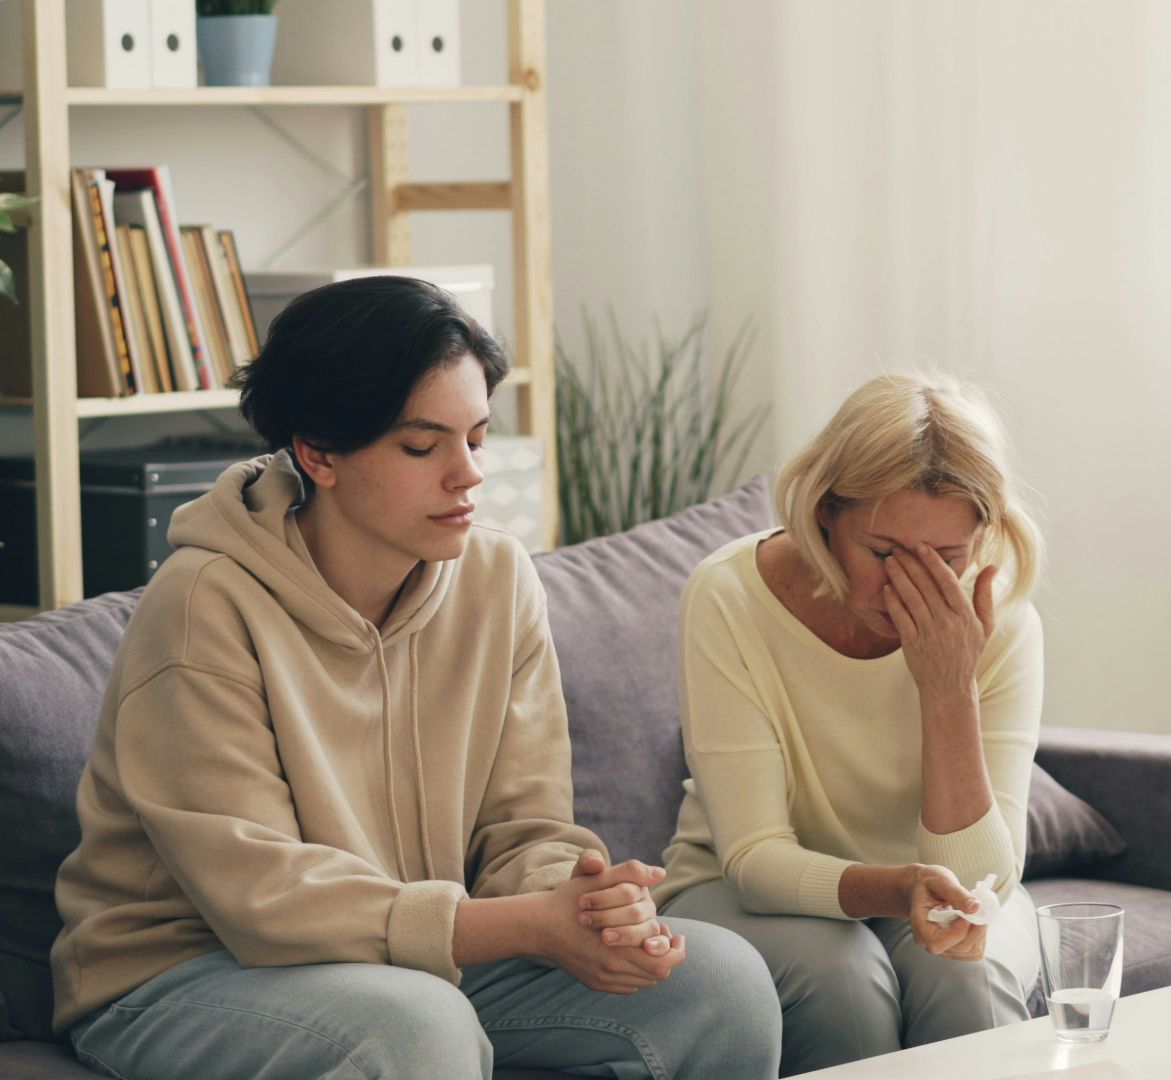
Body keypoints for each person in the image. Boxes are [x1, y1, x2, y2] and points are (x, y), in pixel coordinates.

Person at [50, 276, 780, 1080]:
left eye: (477, 437)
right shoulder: (202, 606)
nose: (467, 474)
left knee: (720, 981)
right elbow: (263, 897)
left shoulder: (498, 579)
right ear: (317, 453)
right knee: (414, 1027)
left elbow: (525, 828)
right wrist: (522, 926)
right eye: (422, 446)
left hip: (413, 959)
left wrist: (584, 906)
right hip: (189, 973)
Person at [655, 371, 1047, 1074]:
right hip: (738, 891)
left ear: (983, 536)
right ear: (825, 513)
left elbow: (983, 882)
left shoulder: (1004, 622)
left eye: (946, 559)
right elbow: (753, 860)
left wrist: (948, 686)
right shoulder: (728, 597)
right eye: (885, 553)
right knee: (841, 976)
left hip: (936, 892)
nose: (909, 588)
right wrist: (897, 888)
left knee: (965, 973)